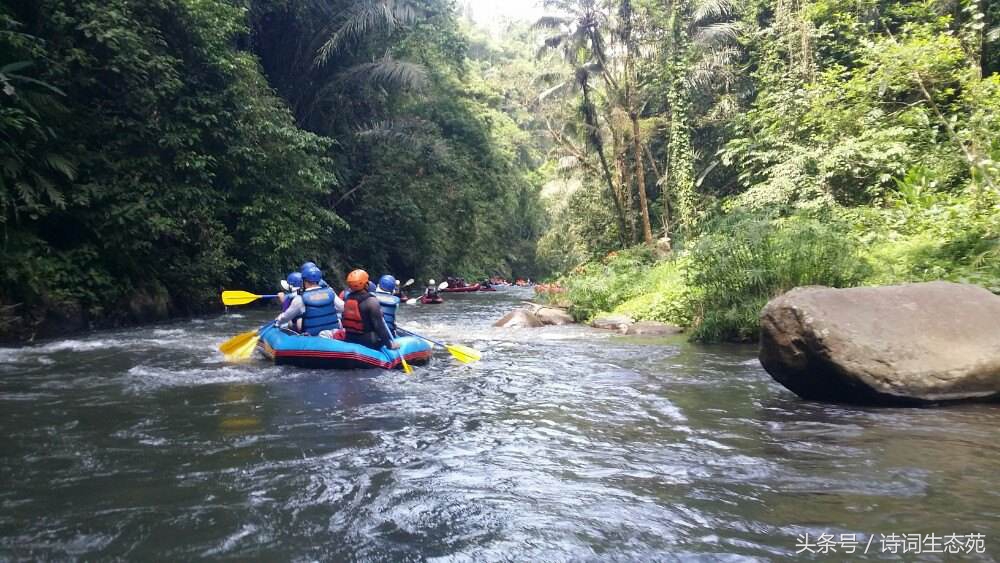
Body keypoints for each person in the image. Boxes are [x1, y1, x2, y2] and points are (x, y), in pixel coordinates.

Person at [275, 265, 343, 335]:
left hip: (312, 335)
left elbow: (287, 316)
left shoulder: (300, 298)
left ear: (304, 281)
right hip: (333, 332)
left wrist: (277, 321)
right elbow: (342, 307)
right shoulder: (330, 292)